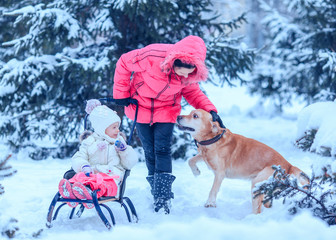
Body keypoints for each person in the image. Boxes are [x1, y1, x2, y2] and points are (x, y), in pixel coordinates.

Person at [112, 35, 225, 214]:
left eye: (191, 71)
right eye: (183, 71)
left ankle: (163, 196)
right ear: (174, 62)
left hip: (167, 110)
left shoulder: (188, 75)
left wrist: (211, 111)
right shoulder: (152, 55)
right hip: (140, 106)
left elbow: (194, 93)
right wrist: (121, 94)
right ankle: (154, 188)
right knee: (149, 150)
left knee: (162, 149)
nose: (186, 75)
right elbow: (124, 63)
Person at [58, 99, 138, 209]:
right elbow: (79, 156)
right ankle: (72, 191)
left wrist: (124, 151)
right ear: (102, 128)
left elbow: (130, 163)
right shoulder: (90, 141)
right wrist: (83, 166)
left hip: (111, 177)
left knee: (102, 183)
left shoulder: (119, 142)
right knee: (80, 177)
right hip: (91, 174)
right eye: (114, 127)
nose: (117, 130)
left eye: (118, 127)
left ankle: (88, 192)